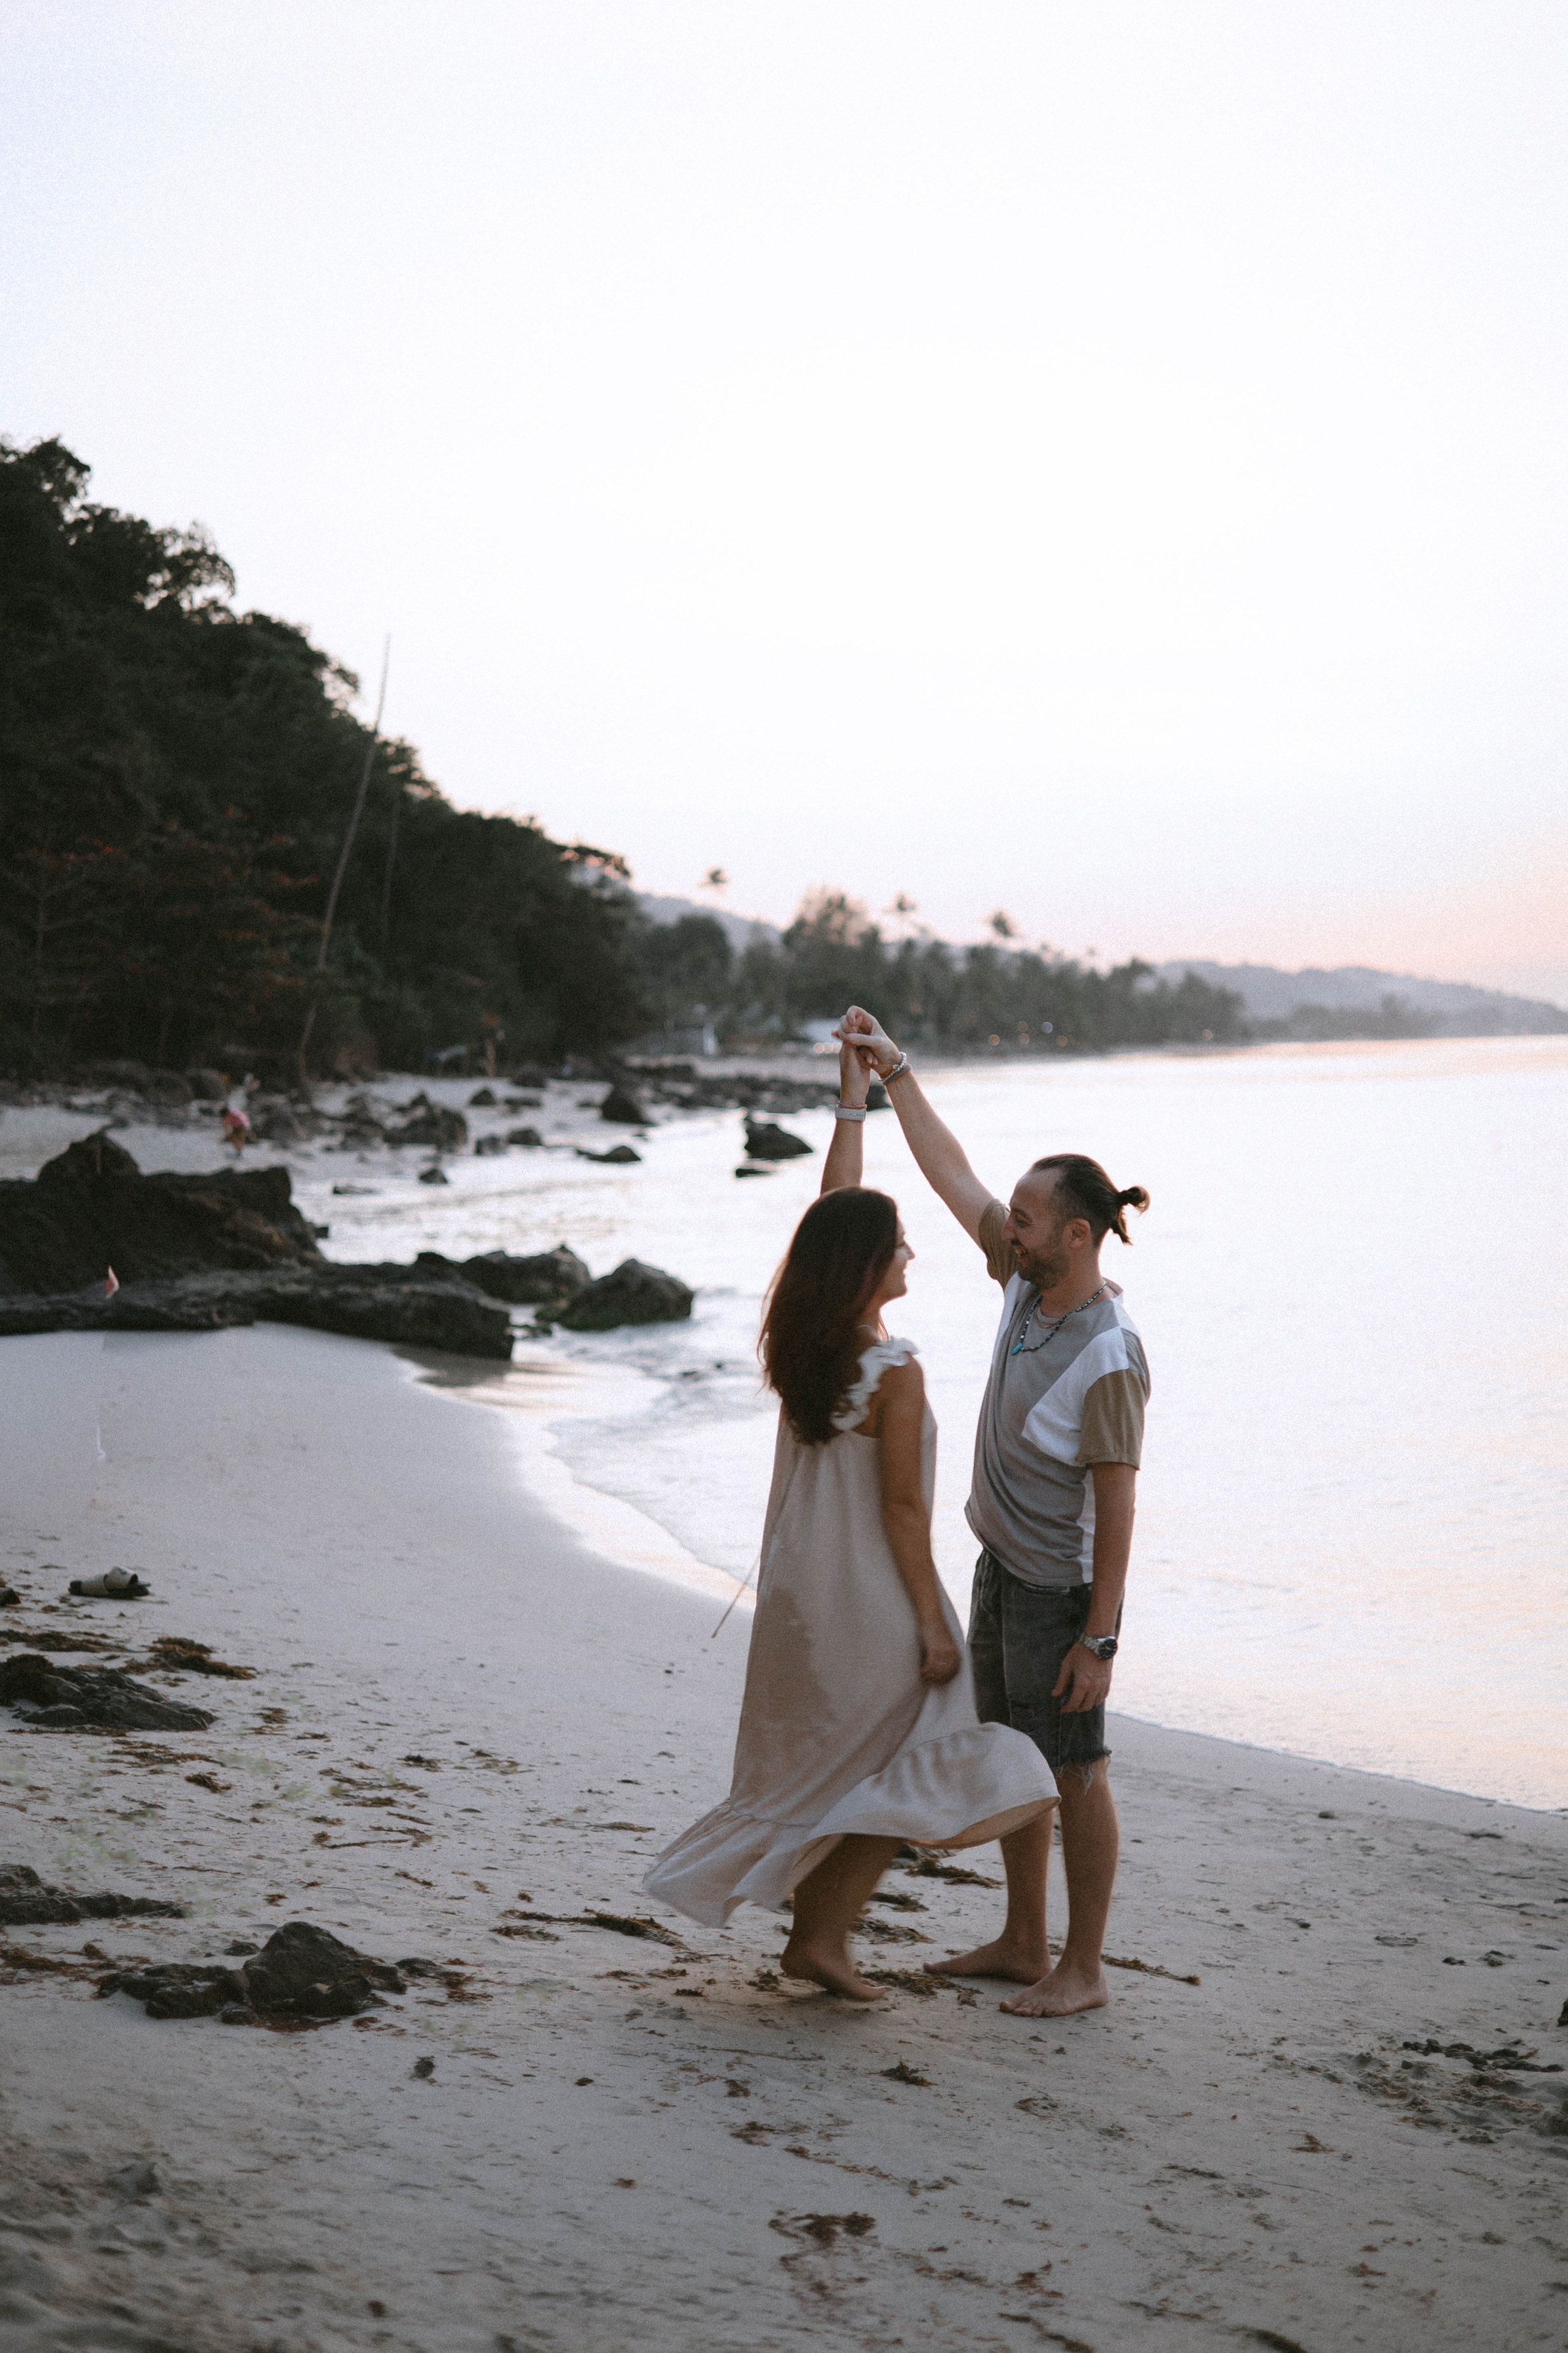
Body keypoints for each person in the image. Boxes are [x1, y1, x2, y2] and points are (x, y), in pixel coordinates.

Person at [643, 1042, 1056, 2000]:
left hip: (799, 1597)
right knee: (919, 1759)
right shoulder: (893, 1366)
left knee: (850, 1767)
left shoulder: (813, 1345)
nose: (913, 1250)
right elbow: (905, 1510)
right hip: (873, 1598)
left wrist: (854, 1105)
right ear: (869, 1265)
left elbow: (832, 1222)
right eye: (900, 1242)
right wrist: (931, 1622)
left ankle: (822, 1938)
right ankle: (823, 1939)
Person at [837, 1005, 1150, 2018]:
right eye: (1010, 1216)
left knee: (1077, 1773)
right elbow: (950, 1171)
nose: (1002, 1225)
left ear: (1076, 1233)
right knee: (1020, 1763)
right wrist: (896, 1073)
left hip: (1062, 1593)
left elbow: (1119, 1505)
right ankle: (1024, 1940)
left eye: (1024, 1216)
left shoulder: (1108, 1353)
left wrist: (1100, 1637)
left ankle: (1085, 1967)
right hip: (1001, 1570)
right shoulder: (1025, 1282)